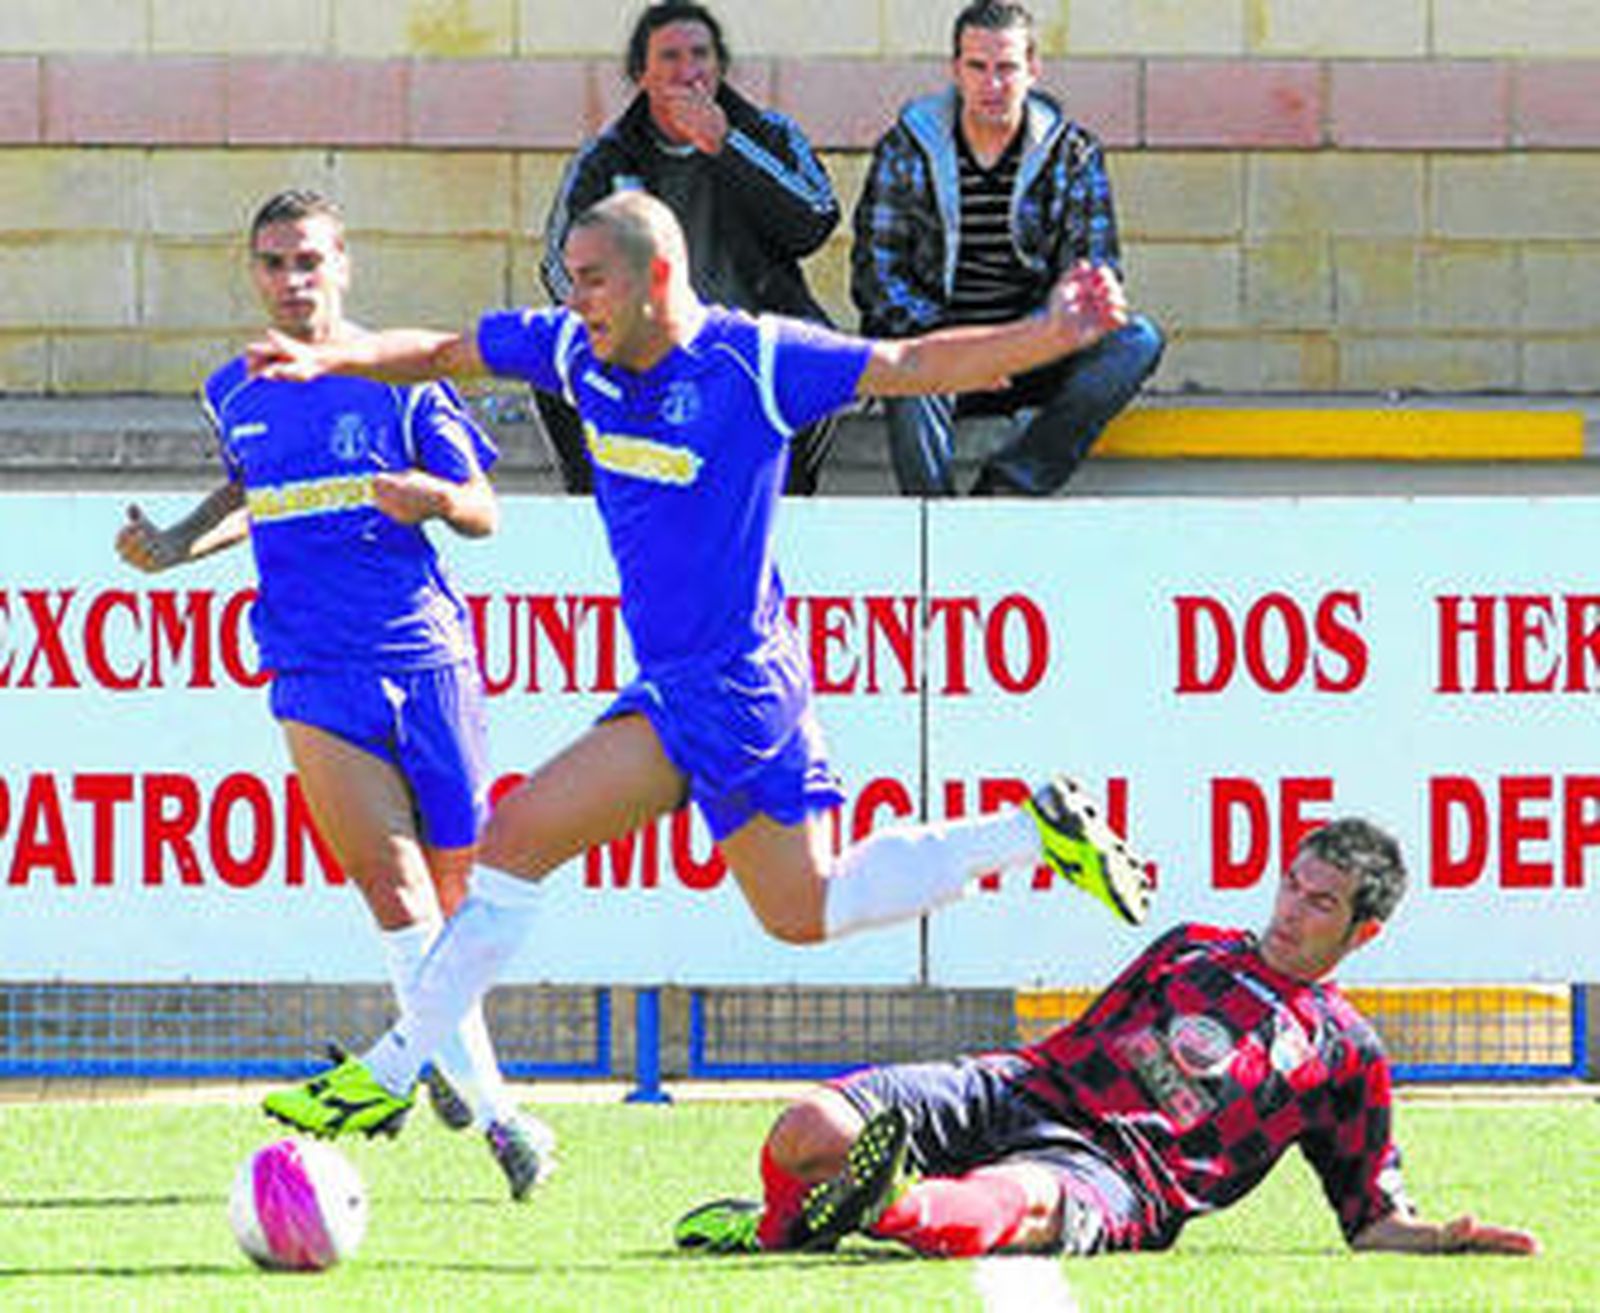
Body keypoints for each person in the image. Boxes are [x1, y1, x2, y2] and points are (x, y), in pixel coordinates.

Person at [246, 189, 1156, 1140]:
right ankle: (1030, 832)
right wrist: (329, 357)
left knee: (568, 851)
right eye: (571, 281)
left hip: (735, 688)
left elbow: (909, 363)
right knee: (789, 902)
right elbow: (444, 353)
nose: (577, 299)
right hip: (679, 685)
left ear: (659, 275)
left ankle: (394, 1067)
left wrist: (1052, 333)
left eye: (594, 280)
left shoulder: (753, 360)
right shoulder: (572, 351)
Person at [112, 189, 554, 1198]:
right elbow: (252, 492)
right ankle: (504, 1121)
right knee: (395, 893)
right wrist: (178, 542)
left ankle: (425, 1057)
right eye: (272, 263)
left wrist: (434, 496)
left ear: (343, 264)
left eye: (309, 260)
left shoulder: (398, 376)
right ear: (254, 272)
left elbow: (481, 508)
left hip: (427, 662)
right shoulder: (233, 390)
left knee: (453, 903)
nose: (291, 280)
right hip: (313, 670)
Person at [672, 819, 1541, 1260]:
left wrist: (1442, 1236)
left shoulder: (1346, 1051)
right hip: (1022, 1089)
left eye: (1320, 902)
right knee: (808, 1127)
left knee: (1004, 1201)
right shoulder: (1194, 943)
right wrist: (1000, 1094)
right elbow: (1085, 1035)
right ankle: (788, 1223)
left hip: (1120, 1173)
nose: (1290, 909)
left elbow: (1371, 1217)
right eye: (1291, 884)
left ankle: (881, 1203)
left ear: (1365, 930)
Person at [852, 0, 1164, 497]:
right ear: (956, 69)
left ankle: (1011, 483)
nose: (992, 84)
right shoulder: (906, 147)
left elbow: (1094, 275)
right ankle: (934, 523)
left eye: (1007, 68)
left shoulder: (1073, 152)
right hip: (942, 351)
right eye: (977, 67)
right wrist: (965, 352)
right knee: (902, 360)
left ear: (1033, 71)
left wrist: (1020, 345)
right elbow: (877, 273)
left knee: (1137, 340)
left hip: (1037, 347)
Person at [537, 1, 843, 496]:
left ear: (719, 66)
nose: (688, 72)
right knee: (553, 357)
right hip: (644, 342)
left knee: (815, 360)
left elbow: (816, 220)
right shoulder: (606, 156)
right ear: (641, 74)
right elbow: (558, 264)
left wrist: (727, 145)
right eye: (670, 58)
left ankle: (779, 513)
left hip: (748, 339)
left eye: (700, 55)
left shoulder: (767, 134)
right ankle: (599, 516)